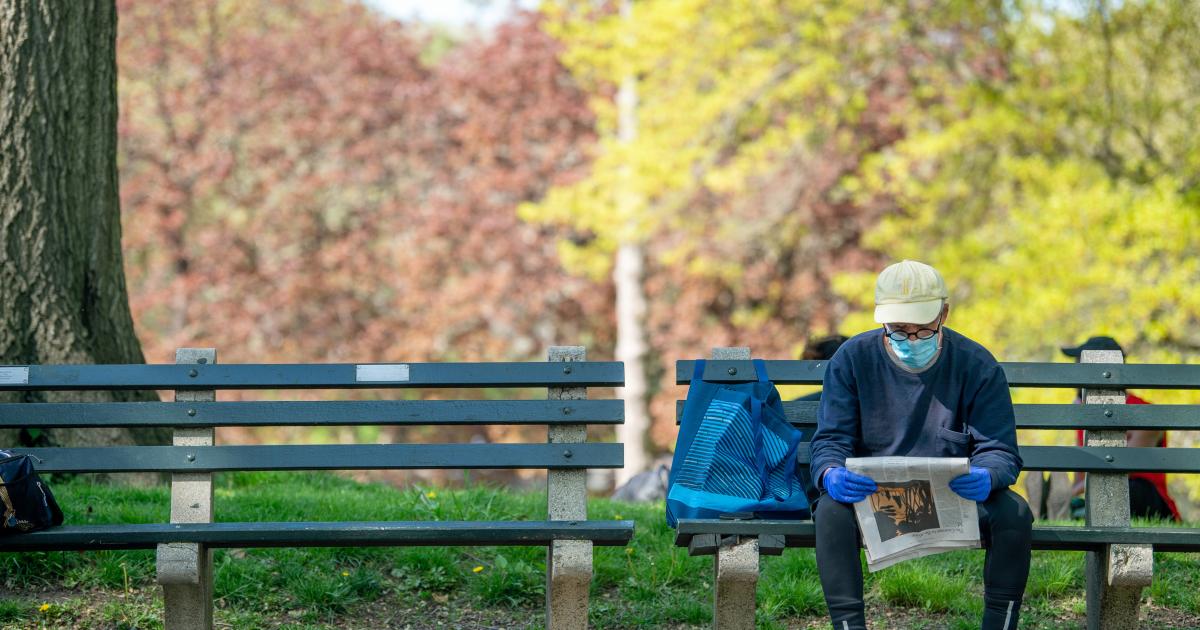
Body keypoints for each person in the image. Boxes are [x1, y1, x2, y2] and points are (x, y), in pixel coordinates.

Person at [810, 260, 1031, 630]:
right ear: (882, 321)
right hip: (872, 498)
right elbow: (830, 440)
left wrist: (987, 475)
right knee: (830, 512)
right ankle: (849, 625)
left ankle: (1000, 624)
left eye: (923, 330)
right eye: (898, 331)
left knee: (1015, 513)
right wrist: (830, 473)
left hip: (955, 497)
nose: (911, 340)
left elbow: (1000, 450)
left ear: (944, 314)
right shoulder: (852, 359)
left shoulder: (977, 365)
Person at [1060, 336, 1181, 522]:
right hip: (1103, 493)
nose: (1075, 371)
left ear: (1102, 370)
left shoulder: (1145, 412)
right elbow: (1080, 478)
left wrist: (1068, 495)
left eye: (1080, 364)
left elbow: (1122, 466)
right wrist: (1068, 495)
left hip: (1145, 498)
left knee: (1129, 489)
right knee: (1090, 497)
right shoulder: (1085, 414)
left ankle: (1077, 511)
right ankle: (1072, 510)